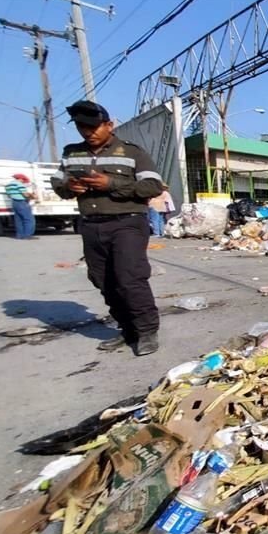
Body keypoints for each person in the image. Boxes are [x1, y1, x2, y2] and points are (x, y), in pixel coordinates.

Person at [51, 100, 164, 355]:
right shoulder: (72, 153)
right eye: (82, 127)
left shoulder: (132, 152)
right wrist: (70, 187)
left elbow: (153, 187)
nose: (88, 132)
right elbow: (58, 184)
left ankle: (146, 331)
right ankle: (127, 330)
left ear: (109, 125)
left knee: (129, 277)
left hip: (127, 222)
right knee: (102, 279)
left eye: (93, 127)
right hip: (91, 224)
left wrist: (110, 184)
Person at [4, 173, 37, 239]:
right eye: (24, 180)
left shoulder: (8, 185)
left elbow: (9, 195)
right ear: (20, 179)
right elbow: (25, 195)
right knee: (29, 220)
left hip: (14, 202)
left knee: (19, 220)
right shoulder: (19, 184)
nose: (24, 182)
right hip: (22, 203)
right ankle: (27, 235)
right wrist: (33, 196)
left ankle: (19, 235)